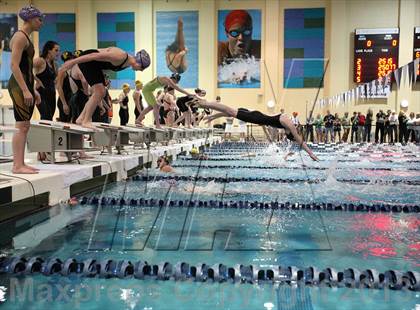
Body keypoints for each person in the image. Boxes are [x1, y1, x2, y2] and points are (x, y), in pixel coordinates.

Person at [58, 47, 150, 129]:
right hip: (88, 59)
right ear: (138, 62)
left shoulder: (127, 63)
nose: (141, 71)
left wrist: (102, 79)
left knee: (100, 91)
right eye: (142, 68)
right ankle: (86, 120)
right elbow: (93, 55)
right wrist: (73, 62)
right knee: (100, 92)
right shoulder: (120, 56)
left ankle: (81, 118)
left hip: (95, 65)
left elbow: (102, 64)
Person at [198, 99, 318, 161]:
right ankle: (205, 104)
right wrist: (310, 153)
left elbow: (298, 139)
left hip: (257, 117)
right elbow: (299, 140)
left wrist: (310, 152)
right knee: (231, 111)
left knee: (232, 112)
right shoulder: (288, 124)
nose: (296, 128)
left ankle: (212, 114)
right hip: (257, 117)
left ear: (288, 133)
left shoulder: (287, 126)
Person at [7, 5, 43, 174]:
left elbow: (26, 68)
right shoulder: (20, 37)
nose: (41, 23)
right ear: (29, 19)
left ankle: (20, 163)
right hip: (18, 86)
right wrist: (25, 90)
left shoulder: (26, 37)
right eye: (39, 19)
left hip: (25, 85)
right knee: (21, 126)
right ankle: (17, 165)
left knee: (25, 125)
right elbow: (14, 66)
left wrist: (32, 89)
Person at [33, 40, 60, 121]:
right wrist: (37, 80)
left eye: (59, 50)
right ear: (49, 50)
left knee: (50, 118)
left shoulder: (55, 64)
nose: (58, 53)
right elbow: (25, 68)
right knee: (46, 117)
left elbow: (56, 80)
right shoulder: (40, 61)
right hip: (41, 94)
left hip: (52, 94)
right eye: (56, 50)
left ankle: (47, 134)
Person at [56, 51, 75, 122]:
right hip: (64, 100)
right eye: (69, 60)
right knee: (65, 124)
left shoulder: (71, 70)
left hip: (70, 99)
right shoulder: (62, 71)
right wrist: (64, 104)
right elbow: (59, 87)